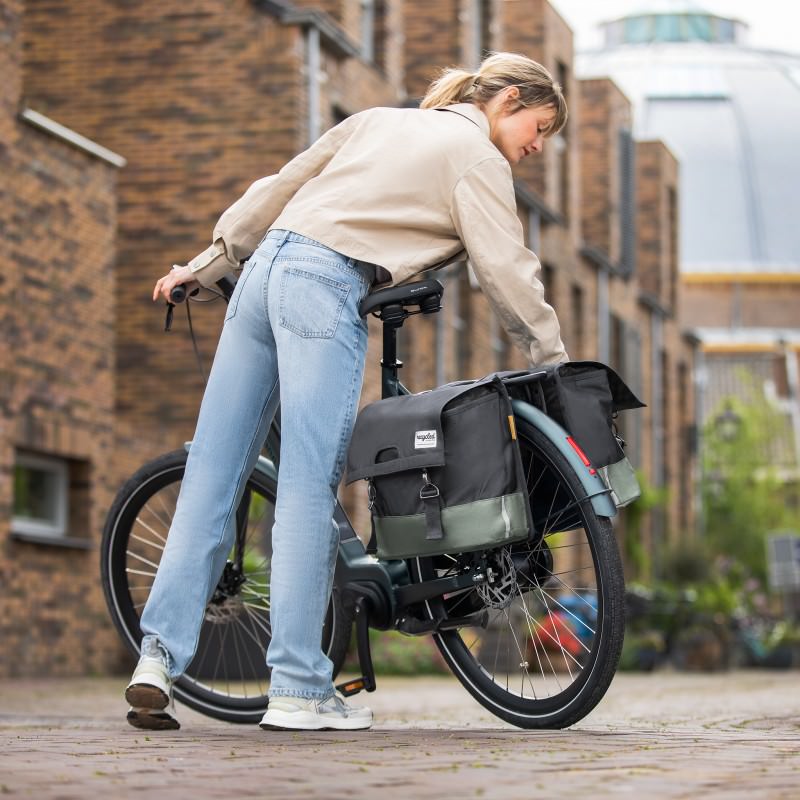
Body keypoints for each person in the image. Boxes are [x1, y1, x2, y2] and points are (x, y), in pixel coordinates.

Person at [125, 51, 569, 733]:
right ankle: (300, 687)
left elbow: (278, 186)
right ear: (507, 99)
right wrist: (551, 359)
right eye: (538, 127)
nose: (537, 146)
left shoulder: (377, 123)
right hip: (322, 284)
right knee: (307, 485)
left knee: (212, 475)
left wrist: (207, 263)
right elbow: (506, 270)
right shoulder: (477, 157)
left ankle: (156, 659)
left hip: (265, 273)